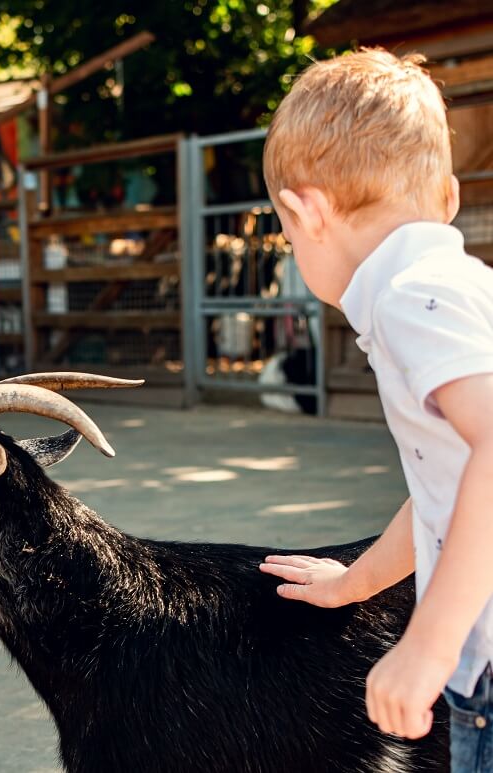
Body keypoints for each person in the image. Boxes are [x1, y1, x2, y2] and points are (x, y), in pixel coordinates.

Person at [256, 49, 493, 770]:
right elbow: (445, 490)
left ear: (306, 211)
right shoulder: (457, 286)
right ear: (447, 198)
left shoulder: (410, 299)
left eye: (289, 238)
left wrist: (428, 643)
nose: (297, 250)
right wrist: (354, 581)